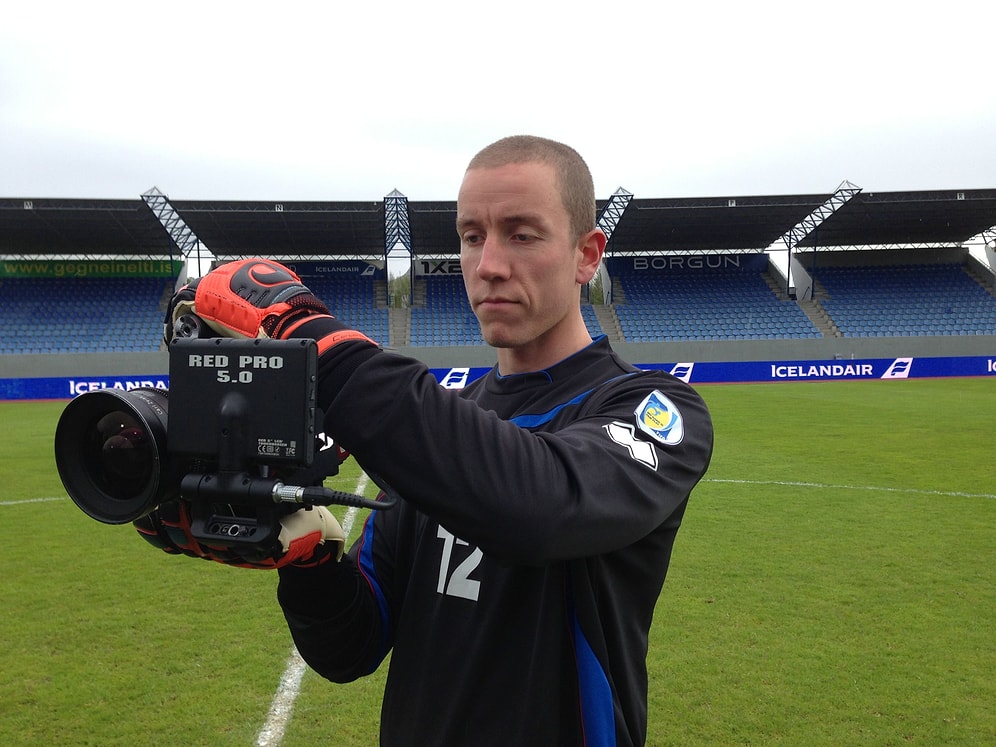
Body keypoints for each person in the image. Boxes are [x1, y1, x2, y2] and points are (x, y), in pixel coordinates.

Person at [144, 135, 714, 746]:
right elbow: (351, 647)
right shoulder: (442, 429)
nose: (489, 264)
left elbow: (542, 507)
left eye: (522, 234)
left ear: (586, 254)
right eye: (472, 236)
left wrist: (313, 344)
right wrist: (306, 561)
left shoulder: (652, 408)